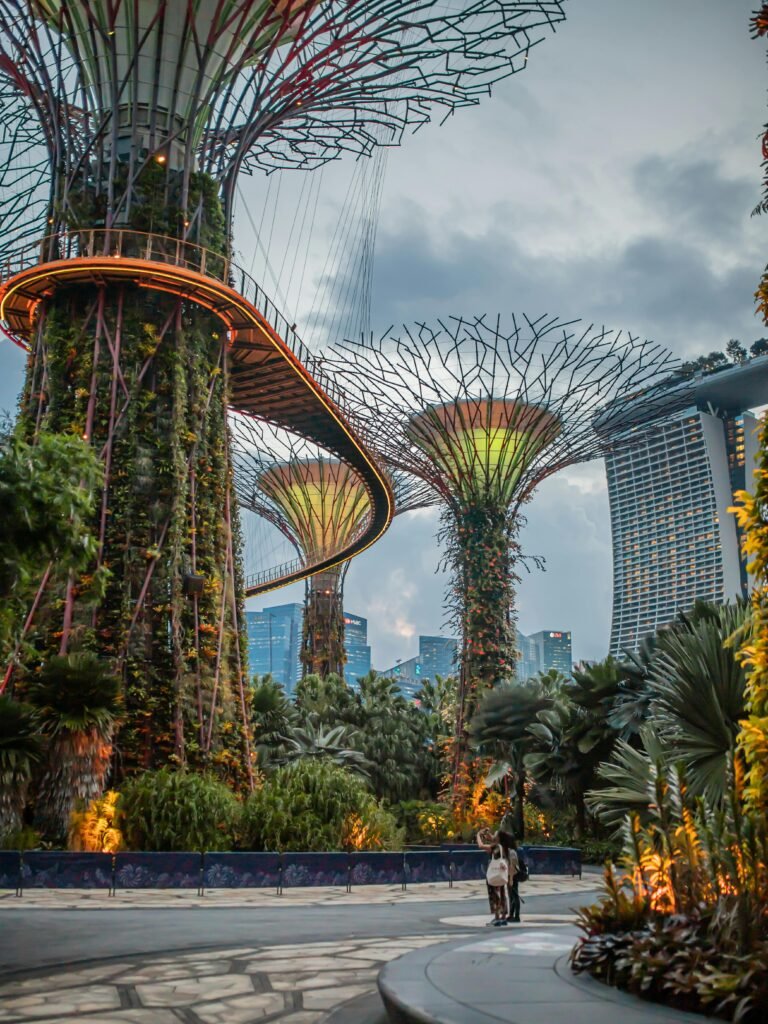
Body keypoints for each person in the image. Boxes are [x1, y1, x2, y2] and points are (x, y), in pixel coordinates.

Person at [477, 826, 519, 925]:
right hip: (502, 875)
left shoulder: (495, 848)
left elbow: (481, 845)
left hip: (494, 874)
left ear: (498, 838)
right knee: (502, 894)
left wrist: (478, 835)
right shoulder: (505, 848)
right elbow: (491, 838)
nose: (493, 835)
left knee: (495, 895)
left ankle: (497, 916)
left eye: (495, 834)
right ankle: (503, 916)